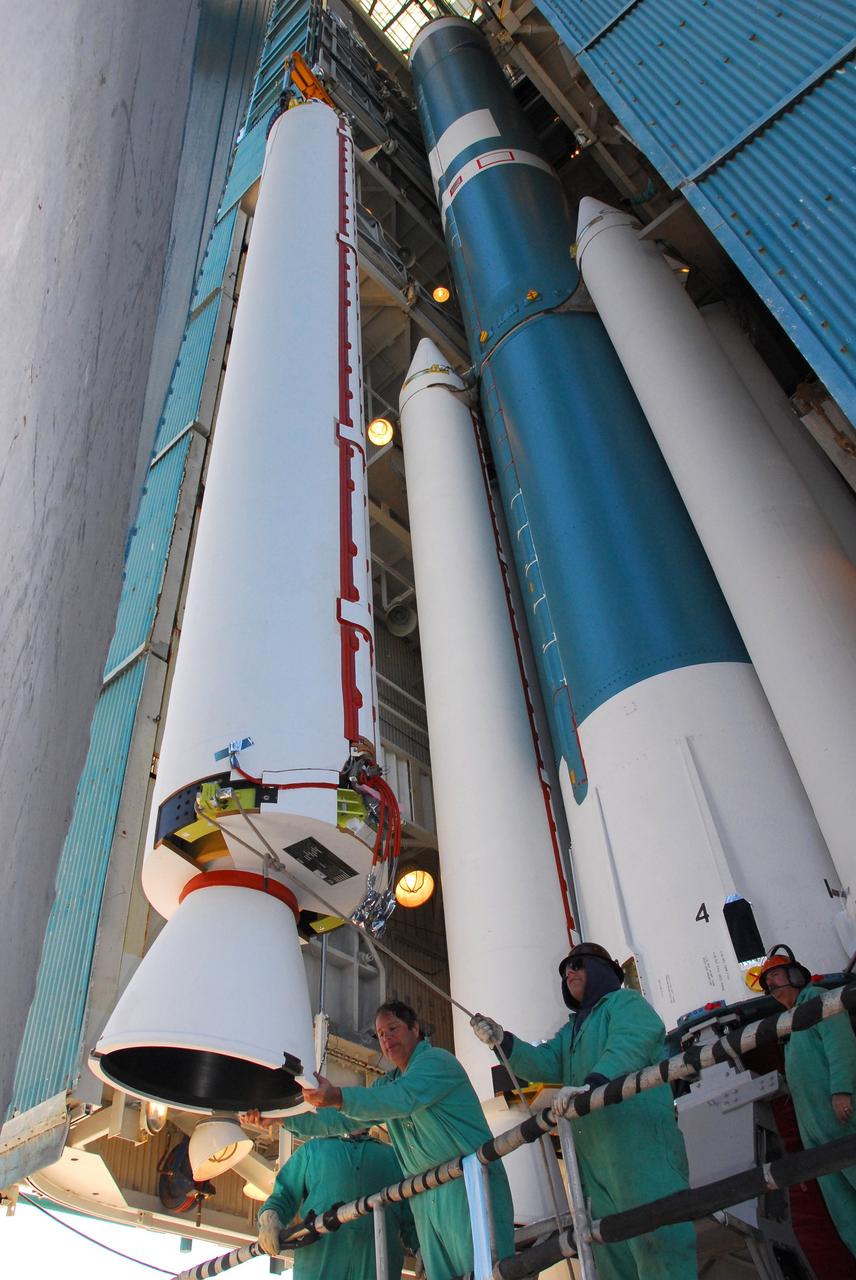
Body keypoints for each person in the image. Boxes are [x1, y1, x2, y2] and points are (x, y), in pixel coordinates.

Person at [471, 942, 698, 1280]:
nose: (569, 973)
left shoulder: (626, 1003)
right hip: (593, 1161)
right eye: (565, 971)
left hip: (639, 1149)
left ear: (602, 969)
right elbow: (545, 1062)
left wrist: (593, 1085)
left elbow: (632, 1042)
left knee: (659, 1243)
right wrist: (502, 1041)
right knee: (610, 1252)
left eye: (577, 965)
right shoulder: (573, 1030)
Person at [279, 1000, 515, 1280]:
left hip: (468, 1186)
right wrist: (281, 1116)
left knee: (486, 1272)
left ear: (415, 1029)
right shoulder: (386, 1084)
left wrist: (340, 1097)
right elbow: (341, 1121)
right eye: (380, 1035)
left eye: (393, 1028)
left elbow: (401, 1099)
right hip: (423, 1196)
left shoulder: (437, 1062)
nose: (387, 1039)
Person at [760, 944, 856, 1256]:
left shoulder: (814, 1000)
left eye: (776, 976)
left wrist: (842, 1090)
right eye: (768, 982)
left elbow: (839, 1042)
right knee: (845, 1212)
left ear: (795, 975)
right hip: (815, 1131)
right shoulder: (789, 1024)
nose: (773, 985)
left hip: (842, 1118)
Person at [256, 1130, 417, 1279]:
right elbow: (284, 1194)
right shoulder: (313, 1150)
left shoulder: (393, 1157)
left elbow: (412, 1215)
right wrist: (270, 1219)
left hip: (376, 1266)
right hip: (320, 1262)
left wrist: (422, 1249)